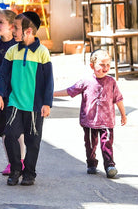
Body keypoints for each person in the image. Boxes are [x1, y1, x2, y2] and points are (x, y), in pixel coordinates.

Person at [0, 11, 54, 186]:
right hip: (14, 103)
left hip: (35, 105)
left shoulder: (42, 52)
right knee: (10, 135)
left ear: (27, 31)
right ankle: (16, 169)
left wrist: (47, 103)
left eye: (16, 28)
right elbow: (2, 76)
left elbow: (49, 80)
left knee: (32, 140)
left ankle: (29, 173)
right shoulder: (12, 51)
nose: (13, 31)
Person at [54, 49, 127, 178]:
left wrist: (123, 114)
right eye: (102, 65)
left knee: (107, 144)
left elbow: (118, 99)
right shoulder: (86, 81)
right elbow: (70, 91)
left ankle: (110, 166)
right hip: (89, 121)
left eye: (108, 65)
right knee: (90, 145)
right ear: (92, 66)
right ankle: (91, 164)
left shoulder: (111, 82)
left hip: (107, 121)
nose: (105, 68)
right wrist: (52, 94)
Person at [0, 9, 26, 176]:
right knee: (3, 129)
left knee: (19, 129)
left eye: (1, 22)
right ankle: (11, 162)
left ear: (12, 26)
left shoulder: (20, 46)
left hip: (18, 92)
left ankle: (22, 161)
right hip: (1, 93)